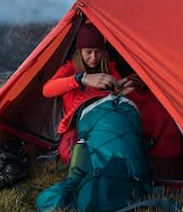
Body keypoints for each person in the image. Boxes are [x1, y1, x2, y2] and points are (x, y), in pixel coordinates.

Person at [42, 23, 141, 163]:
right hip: (81, 125)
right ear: (80, 51)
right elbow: (47, 90)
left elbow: (118, 97)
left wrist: (119, 93)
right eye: (88, 52)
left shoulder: (108, 69)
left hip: (111, 116)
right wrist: (80, 79)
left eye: (98, 51)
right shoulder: (70, 69)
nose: (94, 57)